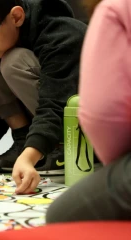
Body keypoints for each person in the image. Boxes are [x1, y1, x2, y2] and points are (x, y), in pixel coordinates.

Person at [0, 0, 87, 194]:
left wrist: (30, 156)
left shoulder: (61, 34)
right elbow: (15, 89)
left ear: (16, 17)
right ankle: (22, 139)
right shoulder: (0, 40)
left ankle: (58, 147)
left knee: (14, 61)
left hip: (84, 126)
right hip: (51, 113)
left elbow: (54, 100)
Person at [46, 0, 131, 222]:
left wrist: (115, 165)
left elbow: (103, 112)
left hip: (111, 150)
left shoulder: (114, 7)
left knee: (60, 217)